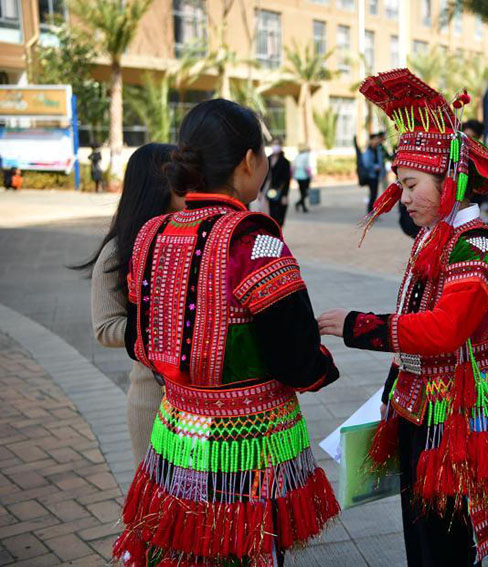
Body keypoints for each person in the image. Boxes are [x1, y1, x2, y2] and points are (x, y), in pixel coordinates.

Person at [112, 99, 340, 567]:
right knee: (245, 549)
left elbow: (140, 339)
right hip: (249, 447)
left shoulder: (151, 234)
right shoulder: (255, 239)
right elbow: (297, 361)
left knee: (184, 549)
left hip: (176, 432)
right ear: (249, 162)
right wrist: (321, 367)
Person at [318, 69, 488, 567]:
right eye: (400, 184)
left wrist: (359, 325)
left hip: (456, 417)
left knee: (445, 544)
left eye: (411, 184)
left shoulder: (475, 246)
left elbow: (445, 329)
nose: (403, 196)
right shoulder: (435, 237)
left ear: (449, 179)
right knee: (425, 538)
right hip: (424, 410)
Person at [71, 144, 181, 464]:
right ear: (156, 186)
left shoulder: (197, 240)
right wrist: (169, 325)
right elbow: (105, 328)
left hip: (207, 405)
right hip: (154, 400)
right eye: (180, 175)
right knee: (160, 504)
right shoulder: (119, 251)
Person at [265, 137, 291, 227]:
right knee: (270, 214)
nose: (276, 146)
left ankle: (279, 233)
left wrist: (285, 195)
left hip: (279, 190)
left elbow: (287, 180)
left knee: (279, 215)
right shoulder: (267, 159)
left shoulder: (285, 162)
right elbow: (264, 177)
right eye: (274, 144)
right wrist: (260, 191)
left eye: (278, 144)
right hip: (268, 190)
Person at [363, 133, 387, 212]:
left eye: (377, 139)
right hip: (371, 176)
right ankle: (370, 211)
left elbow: (381, 160)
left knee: (374, 194)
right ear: (371, 140)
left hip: (376, 175)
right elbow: (366, 163)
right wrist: (375, 167)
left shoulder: (378, 149)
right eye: (375, 139)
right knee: (373, 194)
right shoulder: (368, 150)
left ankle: (372, 211)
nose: (377, 141)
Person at [293, 144, 312, 212]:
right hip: (305, 176)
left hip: (298, 176)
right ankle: (299, 204)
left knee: (302, 192)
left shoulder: (297, 156)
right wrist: (310, 175)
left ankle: (301, 205)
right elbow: (307, 166)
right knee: (305, 192)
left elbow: (293, 165)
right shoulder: (307, 155)